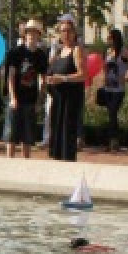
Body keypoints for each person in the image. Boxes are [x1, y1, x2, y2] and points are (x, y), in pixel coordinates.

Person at [45, 14, 85, 162]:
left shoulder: (77, 50)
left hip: (70, 102)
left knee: (67, 137)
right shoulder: (58, 51)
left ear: (74, 32)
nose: (65, 34)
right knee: (56, 135)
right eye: (62, 31)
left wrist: (63, 78)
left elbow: (82, 74)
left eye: (68, 31)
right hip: (57, 100)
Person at [3, 20, 45, 158]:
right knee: (11, 134)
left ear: (39, 36)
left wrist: (39, 100)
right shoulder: (16, 52)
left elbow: (42, 79)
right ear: (25, 35)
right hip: (16, 97)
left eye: (35, 33)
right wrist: (13, 97)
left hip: (30, 98)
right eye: (29, 32)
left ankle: (26, 163)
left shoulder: (40, 55)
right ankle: (9, 161)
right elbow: (11, 76)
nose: (32, 36)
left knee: (28, 136)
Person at [98, 28, 128, 152]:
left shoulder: (123, 51)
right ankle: (111, 141)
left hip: (118, 89)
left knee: (113, 113)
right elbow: (104, 67)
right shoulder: (108, 52)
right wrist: (103, 77)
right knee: (110, 114)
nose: (108, 40)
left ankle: (114, 141)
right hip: (108, 87)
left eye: (110, 38)